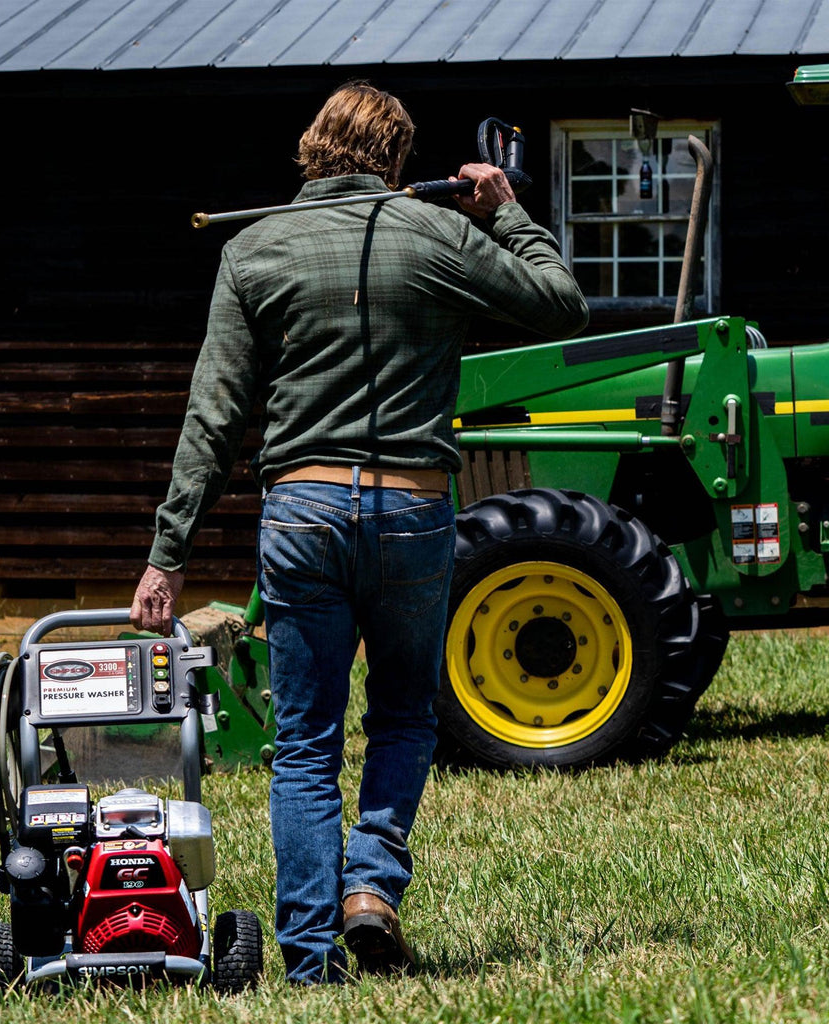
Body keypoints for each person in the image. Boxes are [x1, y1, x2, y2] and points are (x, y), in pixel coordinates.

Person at [131, 81, 588, 985]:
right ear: (393, 161)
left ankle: (308, 960)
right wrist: (505, 210)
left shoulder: (254, 248)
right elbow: (562, 304)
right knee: (405, 715)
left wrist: (166, 556)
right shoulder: (439, 234)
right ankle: (371, 886)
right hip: (413, 507)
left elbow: (213, 416)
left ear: (311, 150)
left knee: (305, 742)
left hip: (302, 511)